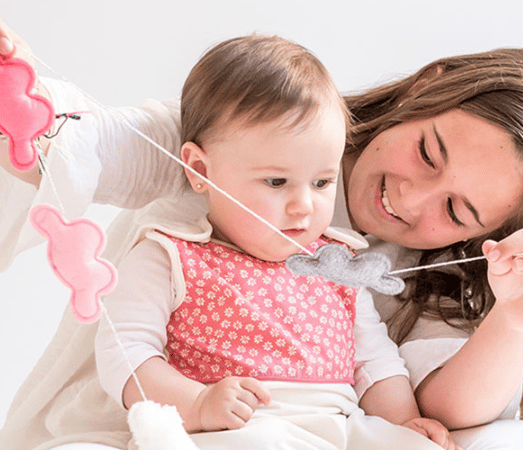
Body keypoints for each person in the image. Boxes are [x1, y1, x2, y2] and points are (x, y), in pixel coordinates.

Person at [0, 5, 523, 449]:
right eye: (427, 152)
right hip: (145, 417)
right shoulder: (248, 136)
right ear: (426, 87)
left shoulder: (409, 267)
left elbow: (428, 399)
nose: (412, 198)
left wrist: (514, 321)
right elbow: (97, 147)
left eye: (456, 211)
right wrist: (2, 106)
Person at [92, 33, 455, 449]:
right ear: (200, 170)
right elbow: (125, 353)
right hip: (235, 429)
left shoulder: (337, 264)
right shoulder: (168, 255)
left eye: (321, 182)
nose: (304, 205)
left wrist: (403, 421)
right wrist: (196, 404)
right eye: (277, 181)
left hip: (336, 426)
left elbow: (375, 360)